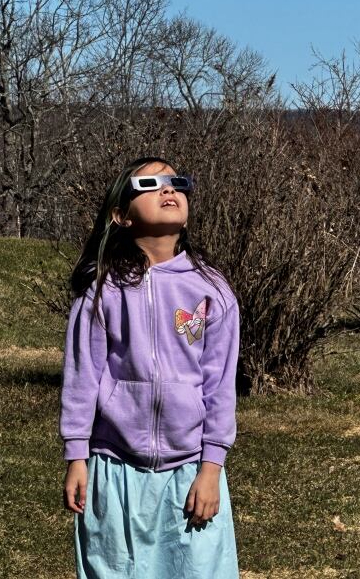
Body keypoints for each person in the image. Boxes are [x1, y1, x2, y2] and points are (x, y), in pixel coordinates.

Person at [59, 156, 241, 578]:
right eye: (150, 184)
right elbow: (82, 378)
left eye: (177, 182)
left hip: (190, 471)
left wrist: (211, 468)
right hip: (114, 471)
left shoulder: (212, 291)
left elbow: (219, 388)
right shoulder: (102, 292)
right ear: (120, 215)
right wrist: (76, 456)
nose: (168, 189)